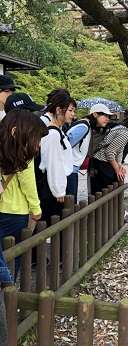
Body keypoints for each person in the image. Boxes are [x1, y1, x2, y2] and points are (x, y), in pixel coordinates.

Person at [0, 109, 48, 280]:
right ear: (16, 133)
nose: (39, 143)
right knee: (13, 259)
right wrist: (36, 209)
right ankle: (8, 297)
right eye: (37, 137)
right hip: (15, 212)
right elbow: (28, 184)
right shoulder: (23, 156)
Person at [90, 107, 128, 230]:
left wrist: (119, 166)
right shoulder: (124, 133)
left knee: (104, 194)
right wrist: (116, 168)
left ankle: (106, 224)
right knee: (108, 194)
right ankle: (115, 224)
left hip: (101, 162)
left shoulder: (121, 128)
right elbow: (110, 152)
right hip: (101, 163)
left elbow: (118, 151)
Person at [37, 92, 76, 227]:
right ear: (58, 110)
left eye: (73, 111)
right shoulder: (52, 133)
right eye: (70, 110)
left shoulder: (57, 130)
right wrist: (58, 189)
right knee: (50, 223)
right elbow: (53, 162)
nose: (72, 114)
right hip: (51, 186)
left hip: (55, 183)